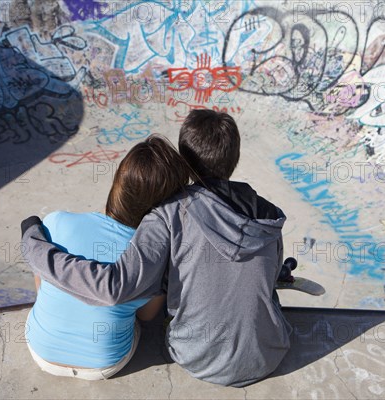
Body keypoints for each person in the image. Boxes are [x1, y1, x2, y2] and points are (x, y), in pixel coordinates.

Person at [21, 110, 292, 387]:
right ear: (235, 158)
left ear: (185, 163)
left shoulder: (167, 214)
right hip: (267, 354)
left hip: (196, 357)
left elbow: (113, 288)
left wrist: (33, 244)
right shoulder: (269, 217)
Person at [25, 135, 190, 380]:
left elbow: (40, 282)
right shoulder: (153, 256)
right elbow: (145, 316)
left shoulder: (56, 221)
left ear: (118, 184)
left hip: (39, 349)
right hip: (104, 364)